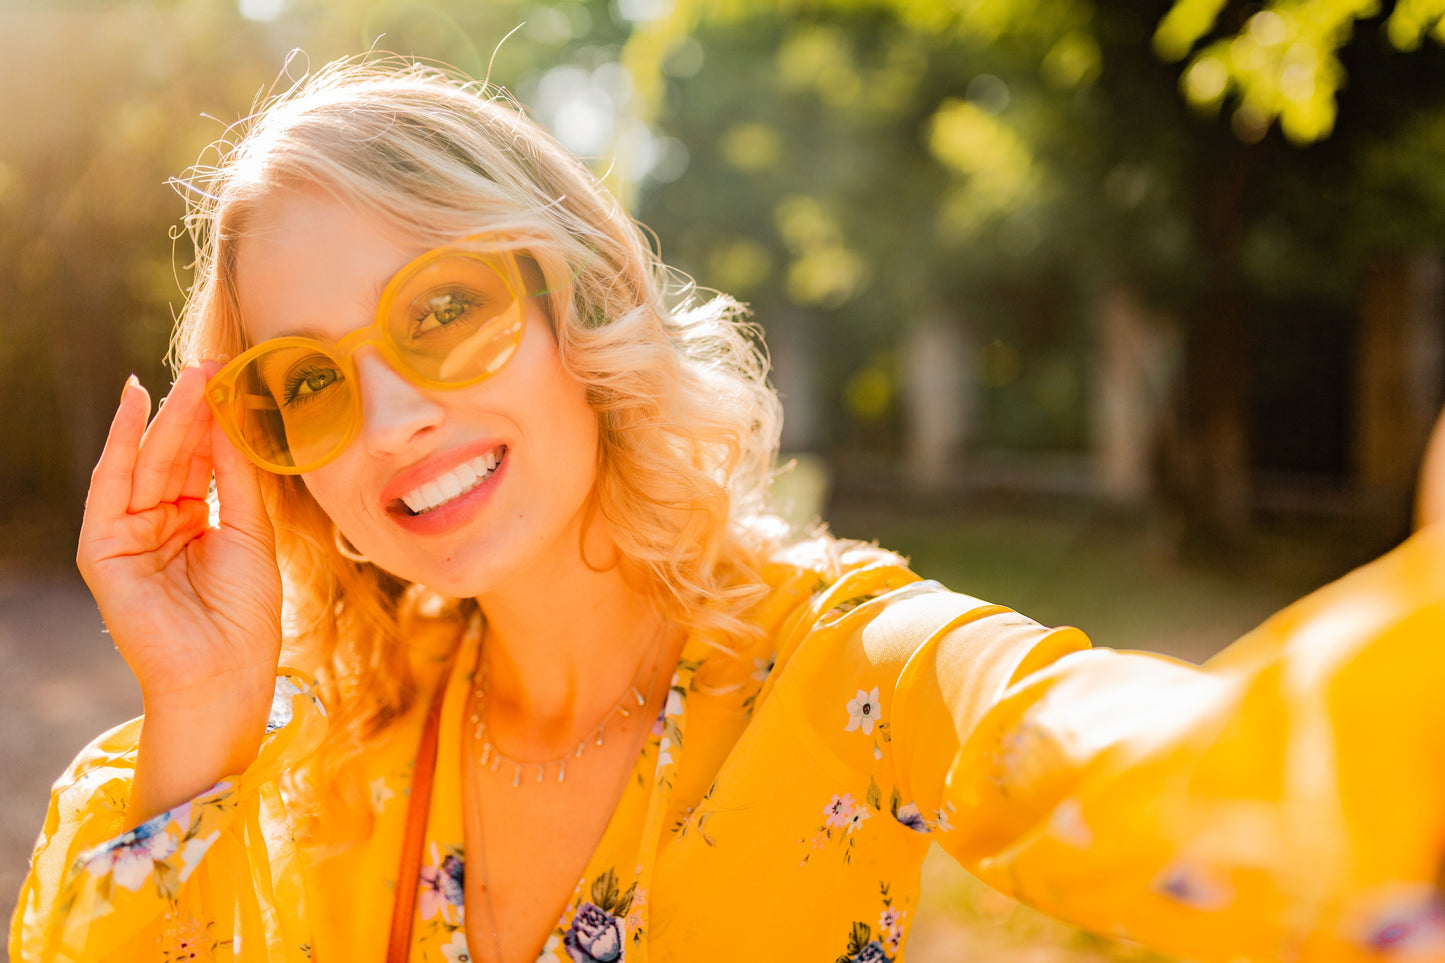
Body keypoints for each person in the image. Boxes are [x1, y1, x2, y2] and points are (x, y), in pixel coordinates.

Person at [10, 55, 1445, 963]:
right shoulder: (277, 779)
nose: (392, 419)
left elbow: (1180, 782)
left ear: (571, 302)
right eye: (309, 382)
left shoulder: (853, 667)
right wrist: (198, 708)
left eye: (443, 310)